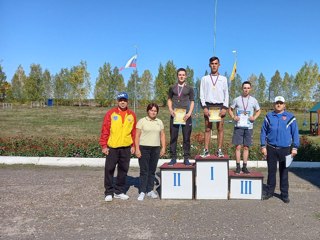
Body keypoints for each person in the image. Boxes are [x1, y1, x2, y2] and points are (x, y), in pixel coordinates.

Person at [260, 96, 300, 203]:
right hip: (271, 148)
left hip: (285, 149)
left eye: (281, 103)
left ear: (284, 105)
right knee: (271, 172)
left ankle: (284, 194)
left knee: (284, 172)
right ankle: (269, 192)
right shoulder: (269, 116)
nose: (279, 105)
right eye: (277, 103)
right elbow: (263, 132)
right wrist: (263, 146)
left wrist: (295, 147)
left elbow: (295, 133)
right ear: (274, 104)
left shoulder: (290, 117)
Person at [99, 92, 137, 202]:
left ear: (127, 101)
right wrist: (104, 145)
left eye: (124, 100)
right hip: (113, 147)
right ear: (117, 101)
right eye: (120, 100)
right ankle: (109, 192)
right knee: (109, 170)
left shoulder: (132, 115)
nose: (122, 102)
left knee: (123, 170)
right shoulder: (110, 113)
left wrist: (133, 145)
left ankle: (119, 191)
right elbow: (105, 130)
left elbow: (134, 132)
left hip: (126, 147)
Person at [228, 81, 261, 174]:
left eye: (248, 88)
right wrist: (233, 117)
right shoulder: (237, 99)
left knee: (246, 147)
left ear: (250, 89)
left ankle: (245, 166)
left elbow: (258, 111)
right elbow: (230, 109)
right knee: (238, 146)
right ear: (242, 89)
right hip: (238, 126)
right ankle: (238, 166)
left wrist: (254, 117)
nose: (246, 89)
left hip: (249, 126)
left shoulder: (254, 100)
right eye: (244, 88)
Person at [135, 103, 166, 201]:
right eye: (151, 110)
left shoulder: (159, 122)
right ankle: (142, 191)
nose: (153, 112)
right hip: (144, 148)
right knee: (144, 171)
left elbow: (162, 135)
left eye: (155, 111)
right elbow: (137, 136)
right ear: (148, 111)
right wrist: (137, 149)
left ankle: (149, 190)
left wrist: (163, 147)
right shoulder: (142, 121)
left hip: (155, 149)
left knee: (152, 171)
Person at [200, 56, 229, 157]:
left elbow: (226, 94)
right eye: (212, 63)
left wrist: (225, 107)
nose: (214, 65)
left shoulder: (223, 79)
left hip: (220, 106)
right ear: (209, 65)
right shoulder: (204, 79)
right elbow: (201, 94)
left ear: (219, 65)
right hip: (208, 106)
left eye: (216, 63)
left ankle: (219, 150)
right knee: (208, 129)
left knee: (220, 129)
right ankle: (206, 150)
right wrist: (204, 107)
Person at [167, 68, 195, 166]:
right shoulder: (172, 88)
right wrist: (170, 110)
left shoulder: (189, 88)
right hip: (174, 116)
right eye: (179, 74)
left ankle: (186, 158)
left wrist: (190, 113)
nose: (181, 76)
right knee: (173, 137)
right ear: (177, 76)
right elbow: (169, 99)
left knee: (186, 138)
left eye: (183, 75)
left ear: (186, 76)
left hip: (186, 116)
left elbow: (192, 101)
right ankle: (173, 158)